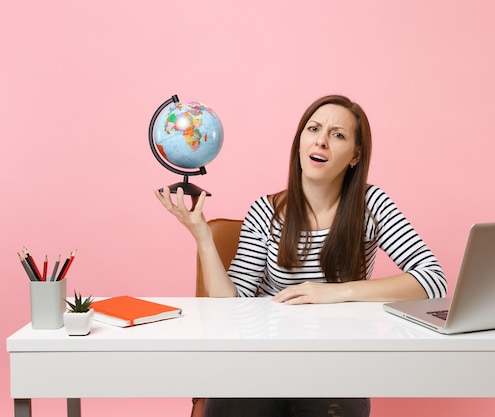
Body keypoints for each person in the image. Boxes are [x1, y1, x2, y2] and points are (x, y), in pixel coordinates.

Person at [155, 94, 447, 417]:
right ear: (299, 143)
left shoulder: (370, 205)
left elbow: (432, 280)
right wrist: (203, 237)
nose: (321, 141)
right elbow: (230, 307)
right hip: (259, 364)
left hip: (335, 369)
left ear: (355, 155)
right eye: (313, 129)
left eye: (337, 135)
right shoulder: (265, 212)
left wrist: (333, 293)